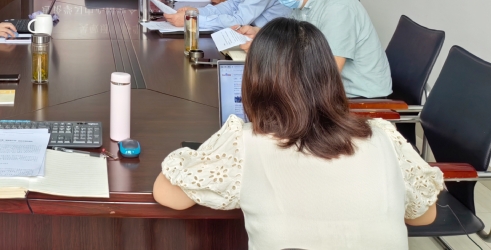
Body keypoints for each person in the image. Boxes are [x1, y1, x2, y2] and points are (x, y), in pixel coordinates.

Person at [153, 18, 442, 249]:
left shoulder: (245, 143)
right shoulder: (383, 136)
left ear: (255, 81)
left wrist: (197, 155)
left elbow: (168, 194)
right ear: (329, 76)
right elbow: (424, 216)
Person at [237, 0, 392, 98]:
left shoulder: (337, 8)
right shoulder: (304, 0)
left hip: (358, 98)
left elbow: (327, 74)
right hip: (325, 89)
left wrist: (266, 53)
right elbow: (292, 39)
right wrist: (261, 35)